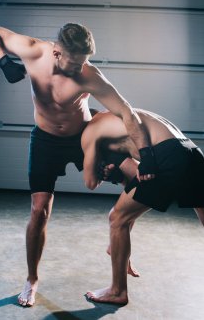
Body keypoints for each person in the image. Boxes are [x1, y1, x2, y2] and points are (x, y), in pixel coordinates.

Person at [0, 22, 156, 307]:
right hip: (46, 141)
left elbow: (127, 112)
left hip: (85, 136)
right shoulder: (34, 51)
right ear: (57, 52)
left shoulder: (88, 75)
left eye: (83, 63)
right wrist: (2, 61)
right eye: (74, 63)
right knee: (39, 210)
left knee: (135, 178)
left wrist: (147, 154)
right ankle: (32, 279)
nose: (78, 70)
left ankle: (119, 244)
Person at [81, 109, 204, 306]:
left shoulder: (91, 131)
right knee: (124, 217)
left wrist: (99, 170)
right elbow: (134, 184)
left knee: (117, 218)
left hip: (168, 157)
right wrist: (117, 176)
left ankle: (117, 291)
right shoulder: (114, 119)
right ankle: (121, 257)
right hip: (191, 151)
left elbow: (90, 183)